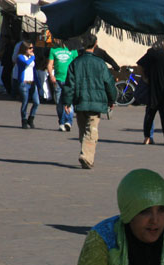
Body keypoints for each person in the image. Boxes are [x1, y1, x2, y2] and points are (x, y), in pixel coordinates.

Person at [62, 33, 117, 169]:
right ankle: (86, 156)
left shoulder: (75, 63)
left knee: (83, 130)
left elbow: (70, 84)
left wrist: (67, 102)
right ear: (95, 44)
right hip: (96, 102)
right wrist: (112, 99)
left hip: (80, 101)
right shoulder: (100, 64)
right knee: (91, 131)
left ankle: (86, 155)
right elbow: (109, 83)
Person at [137, 42, 164, 146]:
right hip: (163, 88)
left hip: (152, 87)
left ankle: (147, 138)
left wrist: (145, 77)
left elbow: (140, 64)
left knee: (149, 114)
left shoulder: (150, 53)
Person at [47, 39, 78, 131]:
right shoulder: (53, 50)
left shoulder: (73, 50)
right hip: (58, 80)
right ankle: (61, 122)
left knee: (69, 102)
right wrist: (51, 75)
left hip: (70, 80)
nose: (55, 40)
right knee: (59, 102)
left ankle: (68, 121)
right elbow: (50, 64)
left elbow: (76, 63)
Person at [15, 41, 39, 129]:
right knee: (25, 102)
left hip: (32, 82)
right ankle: (24, 120)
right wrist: (33, 57)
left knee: (36, 102)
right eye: (30, 48)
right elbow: (26, 63)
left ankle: (31, 118)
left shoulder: (30, 57)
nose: (32, 50)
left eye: (32, 48)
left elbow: (33, 70)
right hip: (24, 83)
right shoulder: (20, 57)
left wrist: (38, 83)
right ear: (24, 49)